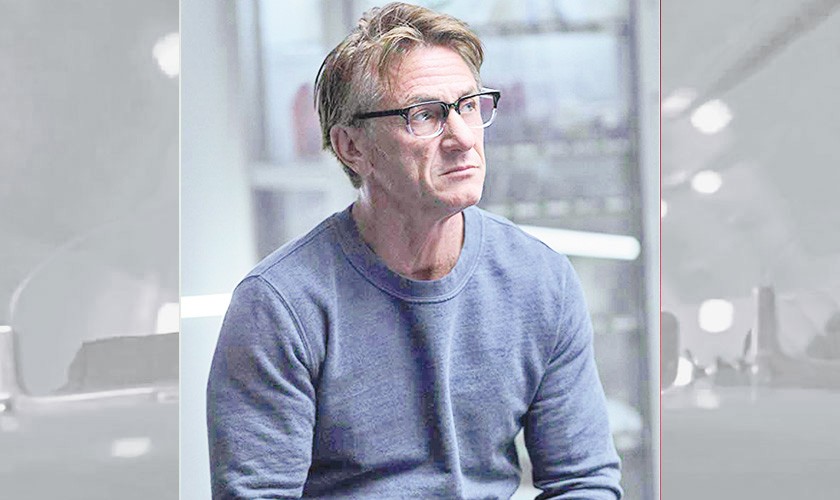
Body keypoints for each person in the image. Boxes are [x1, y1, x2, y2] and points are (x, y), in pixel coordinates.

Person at [207, 3, 622, 498]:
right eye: (424, 115)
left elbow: (584, 480)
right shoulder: (278, 305)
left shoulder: (540, 279)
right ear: (352, 147)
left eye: (469, 106)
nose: (463, 138)